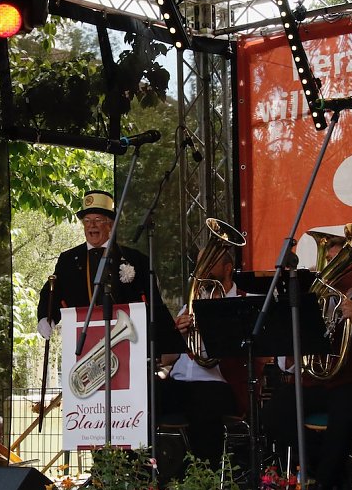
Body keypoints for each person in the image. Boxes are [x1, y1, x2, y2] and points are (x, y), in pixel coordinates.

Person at [261, 233, 352, 490]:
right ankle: (332, 470)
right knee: (274, 413)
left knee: (344, 414)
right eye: (329, 260)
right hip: (315, 382)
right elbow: (288, 364)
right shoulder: (314, 300)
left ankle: (322, 484)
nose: (330, 267)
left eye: (338, 261)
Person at [36, 190, 177, 345]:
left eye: (98, 219)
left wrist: (160, 342)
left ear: (110, 224)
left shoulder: (136, 259)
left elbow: (154, 303)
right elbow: (52, 291)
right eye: (87, 221)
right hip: (82, 340)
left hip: (130, 343)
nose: (92, 225)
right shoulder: (68, 259)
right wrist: (45, 317)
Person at [159, 249, 250, 469]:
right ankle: (143, 474)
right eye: (200, 264)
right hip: (180, 383)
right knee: (145, 399)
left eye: (210, 263)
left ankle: (205, 475)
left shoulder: (244, 302)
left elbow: (257, 356)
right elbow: (166, 358)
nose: (202, 271)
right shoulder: (190, 304)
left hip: (219, 385)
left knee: (204, 405)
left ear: (228, 269)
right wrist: (179, 336)